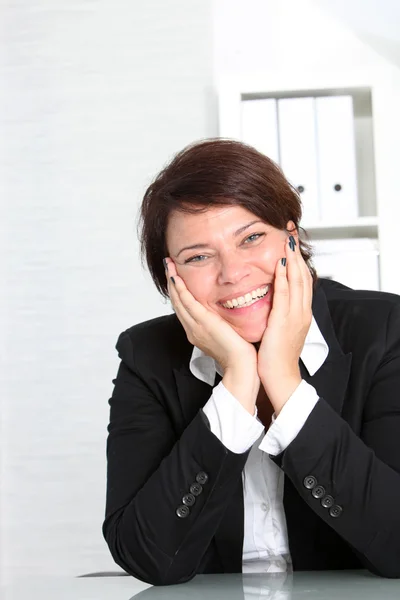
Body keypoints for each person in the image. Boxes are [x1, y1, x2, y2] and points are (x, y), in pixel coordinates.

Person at [102, 139, 400, 586]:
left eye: (252, 238)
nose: (232, 273)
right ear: (172, 275)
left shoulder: (386, 331)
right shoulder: (146, 358)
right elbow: (149, 558)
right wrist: (238, 380)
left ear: (291, 238)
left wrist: (283, 379)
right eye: (199, 256)